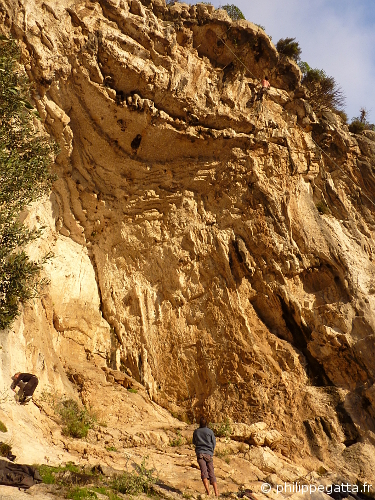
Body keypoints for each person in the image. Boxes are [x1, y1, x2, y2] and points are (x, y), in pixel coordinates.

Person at [192, 417, 219, 497]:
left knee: (204, 473)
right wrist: (211, 451)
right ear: (207, 423)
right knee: (212, 473)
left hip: (200, 454)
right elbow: (214, 442)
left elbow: (194, 442)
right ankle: (216, 492)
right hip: (209, 454)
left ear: (199, 423)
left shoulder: (196, 432)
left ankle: (208, 492)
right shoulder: (210, 432)